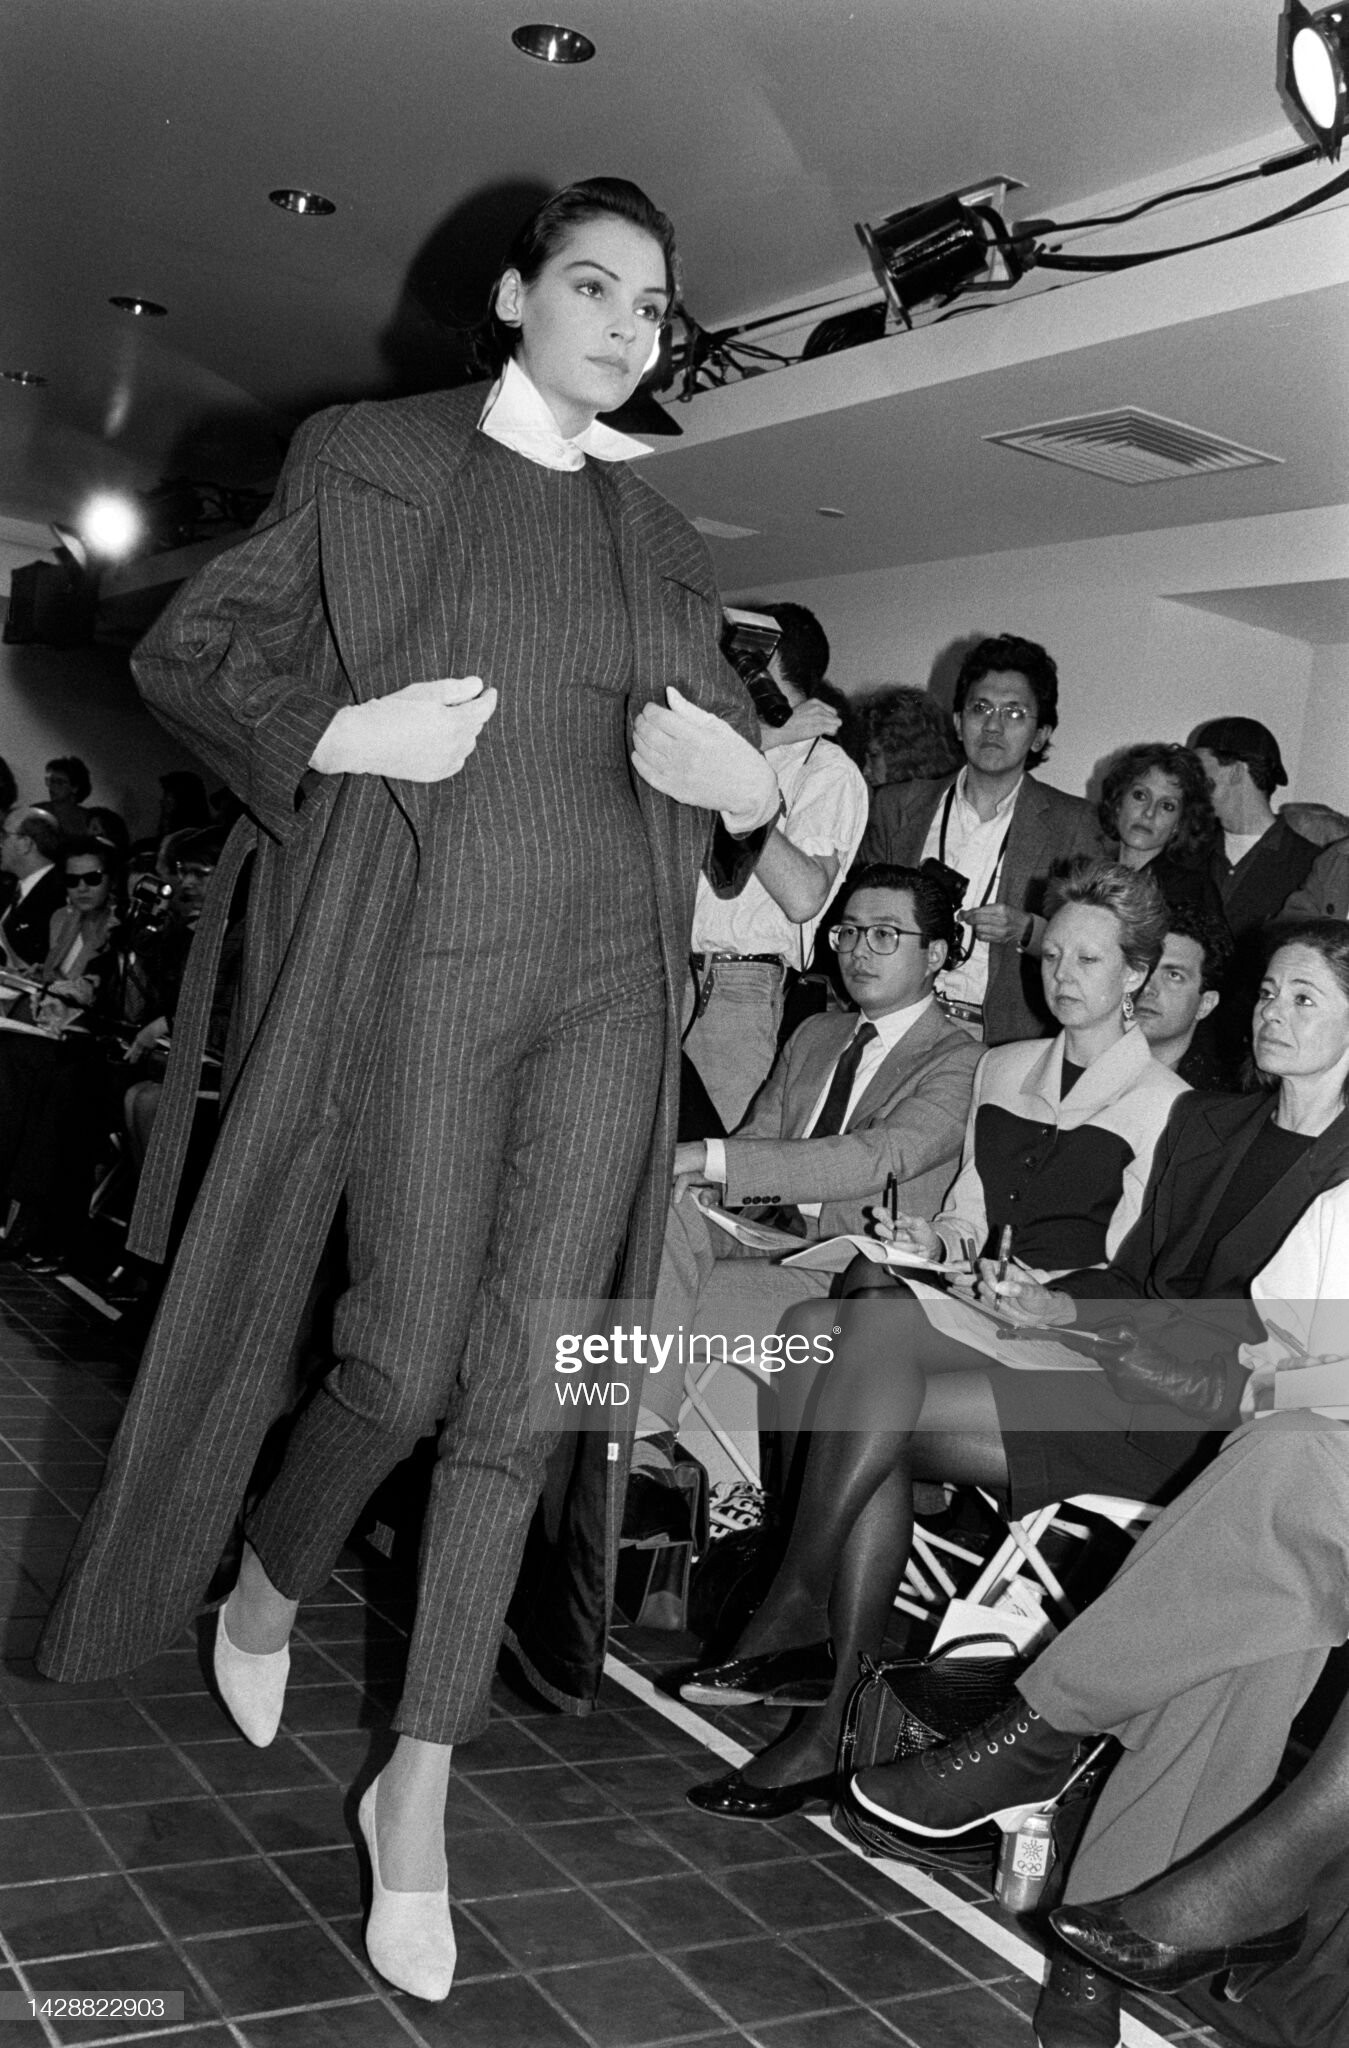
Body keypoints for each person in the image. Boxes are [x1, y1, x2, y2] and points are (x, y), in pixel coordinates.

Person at [35, 176, 781, 2007]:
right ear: (515, 297)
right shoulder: (372, 457)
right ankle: (271, 1571)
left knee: (521, 1390)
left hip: (612, 990)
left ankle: (417, 1792)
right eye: (593, 287)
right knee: (398, 1359)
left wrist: (750, 792)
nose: (626, 328)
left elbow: (725, 761)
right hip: (428, 972)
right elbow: (191, 653)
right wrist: (338, 732)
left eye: (652, 307)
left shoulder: (655, 529)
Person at [839, 920, 1349, 2045]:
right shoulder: (1289, 1176)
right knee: (1257, 1604)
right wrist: (1074, 1313)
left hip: (1240, 1434)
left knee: (1278, 1480)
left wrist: (1253, 1378)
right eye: (1267, 992)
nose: (1272, 1014)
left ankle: (1036, 1729)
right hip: (1242, 1434)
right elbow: (1260, 1340)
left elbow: (1267, 1367)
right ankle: (1102, 1937)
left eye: (1303, 998)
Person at [681, 860, 1192, 1817]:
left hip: (1064, 1352)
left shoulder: (1170, 1110)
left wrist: (1038, 1292)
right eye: (1052, 955)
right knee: (857, 1306)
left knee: (843, 1340)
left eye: (1088, 960)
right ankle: (819, 1680)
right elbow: (965, 1216)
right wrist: (933, 1242)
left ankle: (801, 1621)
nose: (1062, 975)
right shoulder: (1001, 1067)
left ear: (1134, 973)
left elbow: (1131, 1276)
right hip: (968, 1318)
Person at [639, 865, 980, 1443]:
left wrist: (707, 1156)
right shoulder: (816, 1033)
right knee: (663, 1212)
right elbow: (757, 1141)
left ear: (936, 954)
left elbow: (874, 1159)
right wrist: (703, 1182)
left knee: (634, 1304)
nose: (858, 951)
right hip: (764, 1233)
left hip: (851, 1273)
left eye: (884, 934)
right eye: (847, 932)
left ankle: (639, 1455)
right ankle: (644, 1450)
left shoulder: (962, 1059)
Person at [858, 635, 1099, 1044]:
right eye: (980, 708)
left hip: (998, 1038)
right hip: (895, 1021)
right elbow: (861, 914)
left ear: (1040, 735)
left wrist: (1027, 929)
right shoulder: (897, 806)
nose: (993, 725)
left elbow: (1092, 946)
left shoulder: (1072, 823)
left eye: (1014, 713)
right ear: (957, 722)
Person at [684, 599, 867, 1128]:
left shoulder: (827, 769)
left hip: (738, 989)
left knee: (716, 1159)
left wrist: (746, 796)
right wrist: (760, 741)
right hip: (668, 975)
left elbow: (804, 896)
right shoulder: (725, 748)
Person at [1192, 716, 1317, 937]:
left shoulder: (1311, 865)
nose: (1189, 781)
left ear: (1236, 771)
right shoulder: (1188, 849)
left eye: (1199, 769)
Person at [1096, 740, 1221, 916]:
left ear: (1179, 824)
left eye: (1167, 806)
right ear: (1117, 803)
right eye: (1140, 795)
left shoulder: (1190, 893)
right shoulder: (1089, 875)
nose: (1149, 812)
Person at [1132, 900, 1233, 1090]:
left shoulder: (1214, 1098)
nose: (1148, 988)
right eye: (1143, 968)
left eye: (1173, 976)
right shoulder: (1081, 1061)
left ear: (1205, 1004)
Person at [0, 804, 66, 971]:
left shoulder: (58, 896)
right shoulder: (8, 888)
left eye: (4, 836)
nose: (0, 844)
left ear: (26, 843)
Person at [44, 755, 93, 836]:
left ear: (75, 787)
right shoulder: (38, 812)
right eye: (52, 781)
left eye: (60, 782)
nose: (53, 787)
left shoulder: (89, 819)